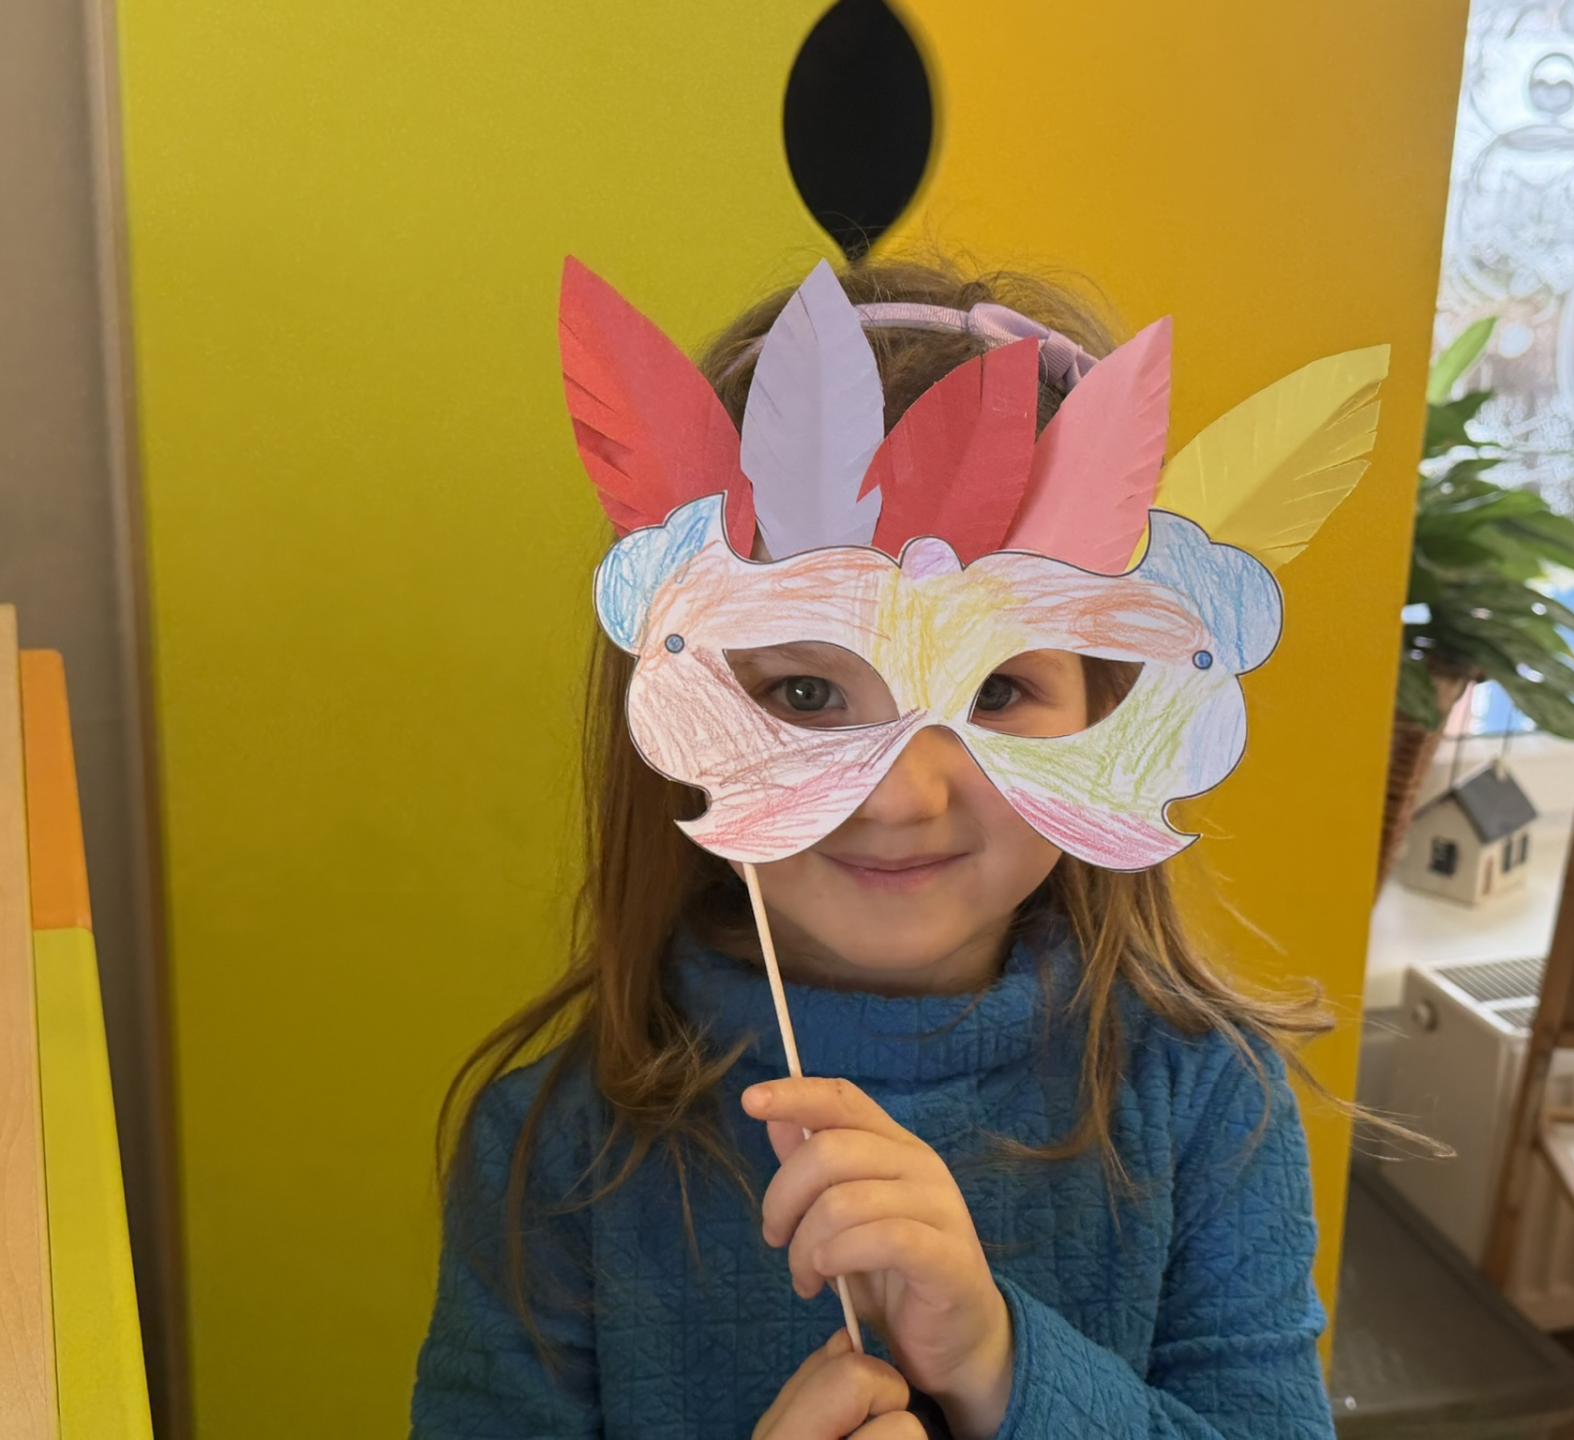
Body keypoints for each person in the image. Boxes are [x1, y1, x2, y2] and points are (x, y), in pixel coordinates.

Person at [410, 255, 1346, 1439]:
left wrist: (1001, 1365)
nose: (902, 795)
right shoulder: (552, 1150)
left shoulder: (1208, 1105)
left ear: (1112, 706)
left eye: (997, 689)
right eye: (806, 693)